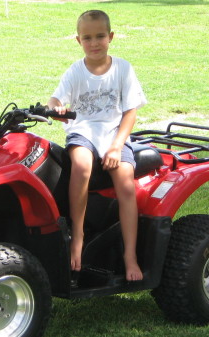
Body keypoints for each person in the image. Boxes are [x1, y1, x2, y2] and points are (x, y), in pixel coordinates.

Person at [47, 10, 147, 281]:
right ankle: (77, 235)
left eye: (100, 36)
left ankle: (130, 255)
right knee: (81, 166)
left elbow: (130, 113)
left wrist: (116, 147)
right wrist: (54, 108)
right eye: (88, 38)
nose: (94, 43)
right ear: (78, 40)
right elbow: (55, 100)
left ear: (111, 37)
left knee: (126, 181)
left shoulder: (123, 69)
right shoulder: (75, 71)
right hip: (83, 130)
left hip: (114, 133)